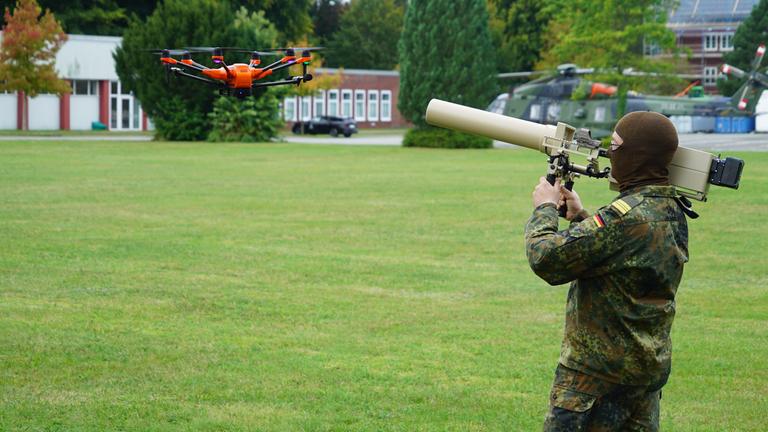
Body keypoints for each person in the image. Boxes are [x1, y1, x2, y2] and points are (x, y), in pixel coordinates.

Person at [525, 111, 689, 431]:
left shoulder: (625, 217)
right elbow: (620, 256)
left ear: (636, 156)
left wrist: (544, 207)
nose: (610, 154)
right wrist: (579, 217)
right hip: (643, 374)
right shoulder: (669, 210)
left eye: (615, 146)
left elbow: (546, 258)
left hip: (596, 378)